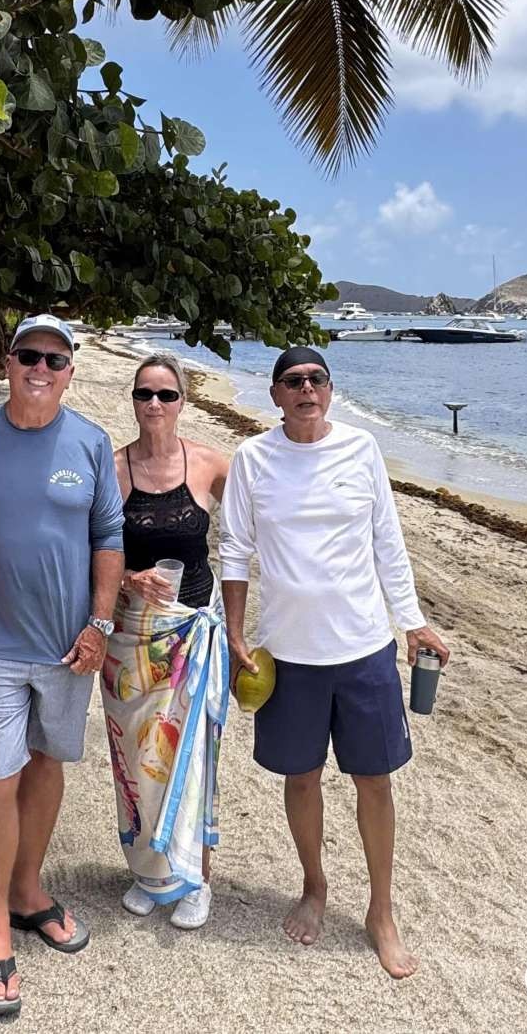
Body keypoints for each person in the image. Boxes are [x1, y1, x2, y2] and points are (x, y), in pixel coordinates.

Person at [218, 346, 450, 980]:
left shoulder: (361, 448)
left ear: (331, 389)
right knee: (302, 778)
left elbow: (387, 541)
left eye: (316, 379)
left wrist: (412, 622)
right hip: (288, 654)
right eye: (293, 381)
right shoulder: (253, 458)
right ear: (275, 394)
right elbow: (235, 549)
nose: (306, 389)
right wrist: (235, 633)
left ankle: (381, 912)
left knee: (375, 780)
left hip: (364, 648)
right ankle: (314, 886)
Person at [0, 313, 125, 1019]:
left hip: (68, 649)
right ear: (8, 362)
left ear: (70, 371)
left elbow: (108, 536)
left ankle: (27, 891)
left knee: (47, 766)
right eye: (29, 356)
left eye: (55, 359)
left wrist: (100, 624)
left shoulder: (91, 441)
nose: (40, 369)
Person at [100, 353, 236, 930]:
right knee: (136, 759)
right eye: (144, 393)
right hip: (131, 636)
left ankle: (196, 877)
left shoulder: (209, 464)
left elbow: (255, 526)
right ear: (133, 400)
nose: (154, 404)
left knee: (193, 756)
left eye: (166, 394)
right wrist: (129, 579)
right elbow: (90, 549)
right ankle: (150, 873)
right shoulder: (112, 467)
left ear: (184, 401)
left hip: (193, 631)